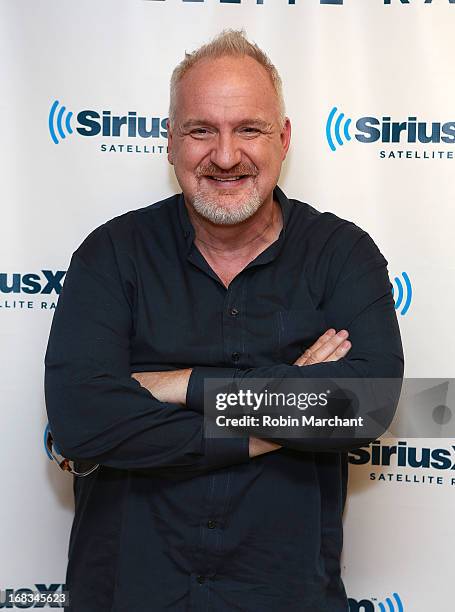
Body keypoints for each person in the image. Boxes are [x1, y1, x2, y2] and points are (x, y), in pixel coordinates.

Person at [44, 30, 404, 612]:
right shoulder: (111, 254)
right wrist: (275, 422)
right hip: (127, 593)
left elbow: (367, 403)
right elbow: (82, 421)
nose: (226, 155)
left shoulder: (343, 255)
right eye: (201, 130)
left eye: (249, 129)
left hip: (286, 595)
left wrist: (177, 385)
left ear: (283, 139)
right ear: (169, 141)